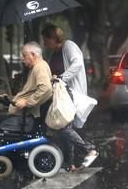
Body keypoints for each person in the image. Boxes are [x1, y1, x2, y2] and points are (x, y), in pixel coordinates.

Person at [41, 24, 98, 171]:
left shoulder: (68, 46)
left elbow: (77, 63)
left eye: (46, 39)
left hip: (70, 93)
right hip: (61, 94)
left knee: (62, 126)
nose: (45, 43)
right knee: (65, 126)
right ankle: (70, 163)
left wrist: (61, 78)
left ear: (53, 38)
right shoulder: (54, 52)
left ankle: (89, 149)